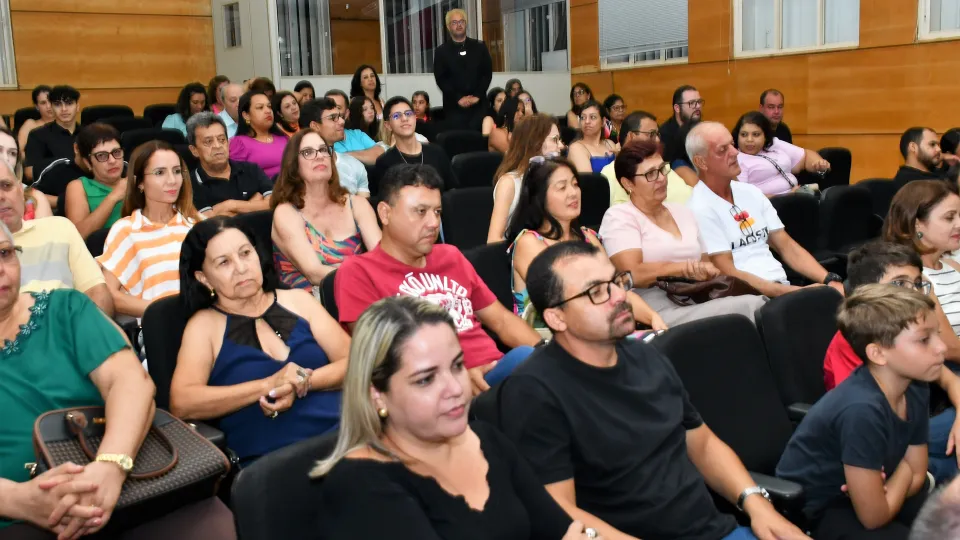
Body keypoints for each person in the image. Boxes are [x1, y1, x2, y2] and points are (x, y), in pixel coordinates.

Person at [500, 240, 810, 540]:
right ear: (557, 318)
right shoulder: (534, 392)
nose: (618, 296)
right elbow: (559, 511)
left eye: (616, 282)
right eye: (596, 292)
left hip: (716, 529)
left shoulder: (646, 355)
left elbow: (702, 444)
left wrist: (757, 504)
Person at [0, 223, 237, 539]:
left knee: (209, 525)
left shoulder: (65, 309)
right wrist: (19, 500)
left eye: (4, 253)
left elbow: (131, 383)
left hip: (127, 474)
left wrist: (111, 466)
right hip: (19, 517)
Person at [311, 295, 597, 539]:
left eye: (458, 366)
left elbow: (562, 529)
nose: (456, 388)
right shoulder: (360, 484)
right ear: (376, 394)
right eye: (426, 379)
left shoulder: (487, 440)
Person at [335, 164, 540, 394]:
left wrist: (547, 352)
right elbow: (378, 355)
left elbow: (502, 321)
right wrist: (454, 373)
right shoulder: (358, 272)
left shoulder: (450, 256)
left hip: (494, 374)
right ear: (385, 213)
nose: (434, 223)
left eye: (437, 212)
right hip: (433, 390)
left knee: (543, 363)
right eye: (421, 211)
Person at [170, 216, 348, 464]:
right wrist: (268, 385)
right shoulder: (204, 326)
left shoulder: (298, 300)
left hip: (343, 438)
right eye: (224, 262)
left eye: (245, 253)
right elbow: (182, 402)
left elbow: (355, 361)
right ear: (204, 278)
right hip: (272, 464)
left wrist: (300, 382)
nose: (241, 268)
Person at [777, 285, 938, 540]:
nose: (941, 347)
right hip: (824, 507)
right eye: (924, 340)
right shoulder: (861, 410)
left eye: (937, 334)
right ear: (878, 353)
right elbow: (874, 516)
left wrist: (901, 477)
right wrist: (905, 470)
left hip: (883, 486)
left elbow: (918, 474)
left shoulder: (915, 384)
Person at [823, 241, 960, 485]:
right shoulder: (852, 341)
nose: (914, 292)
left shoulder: (907, 329)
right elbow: (864, 424)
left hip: (913, 427)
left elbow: (950, 380)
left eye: (918, 283)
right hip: (881, 441)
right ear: (867, 291)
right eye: (900, 284)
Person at [600, 139, 767, 326]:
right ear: (628, 183)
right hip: (653, 307)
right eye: (650, 174)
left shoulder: (683, 212)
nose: (661, 178)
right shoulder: (619, 217)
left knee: (756, 305)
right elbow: (633, 274)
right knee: (751, 307)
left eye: (662, 169)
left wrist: (704, 272)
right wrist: (683, 269)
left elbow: (706, 264)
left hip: (696, 295)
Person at [686, 122, 845, 298]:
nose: (735, 152)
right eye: (723, 150)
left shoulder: (750, 192)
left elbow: (786, 245)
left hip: (781, 290)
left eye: (732, 144)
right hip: (747, 299)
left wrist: (829, 279)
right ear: (701, 162)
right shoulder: (698, 208)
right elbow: (728, 274)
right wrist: (795, 292)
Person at [505, 157, 666, 331]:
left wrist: (653, 318)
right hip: (549, 338)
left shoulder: (588, 237)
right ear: (540, 197)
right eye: (562, 187)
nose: (573, 193)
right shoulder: (528, 243)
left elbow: (617, 290)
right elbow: (564, 300)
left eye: (575, 184)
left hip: (599, 330)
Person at [98, 141, 200, 319]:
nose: (172, 180)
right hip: (162, 326)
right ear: (140, 183)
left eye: (177, 171)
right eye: (160, 172)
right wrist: (167, 313)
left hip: (208, 322)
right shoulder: (126, 230)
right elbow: (109, 295)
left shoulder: (195, 225)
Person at [272, 129, 381, 293]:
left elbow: (382, 258)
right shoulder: (286, 213)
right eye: (308, 152)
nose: (319, 156)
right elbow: (315, 273)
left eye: (323, 150)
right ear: (294, 165)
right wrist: (366, 277)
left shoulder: (356, 204)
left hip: (359, 292)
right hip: (309, 302)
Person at [0, 161, 113, 315]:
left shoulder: (60, 228)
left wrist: (86, 328)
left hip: (74, 325)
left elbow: (97, 292)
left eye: (6, 186)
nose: (1, 196)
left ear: (21, 191)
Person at [883, 181, 960, 370]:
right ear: (917, 224)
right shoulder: (911, 278)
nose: (959, 224)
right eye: (949, 217)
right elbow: (947, 346)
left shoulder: (953, 266)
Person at [487, 114, 564, 242]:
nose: (561, 146)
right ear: (536, 143)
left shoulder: (555, 178)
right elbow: (493, 240)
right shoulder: (509, 183)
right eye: (555, 140)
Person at [187, 112, 273, 217]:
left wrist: (231, 205)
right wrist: (255, 203)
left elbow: (273, 203)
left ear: (228, 142)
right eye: (208, 142)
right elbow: (209, 220)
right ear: (194, 150)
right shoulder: (190, 184)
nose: (217, 146)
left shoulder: (251, 169)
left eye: (222, 140)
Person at [600, 111, 692, 206]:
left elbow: (688, 194)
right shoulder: (609, 174)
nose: (657, 140)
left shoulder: (662, 166)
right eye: (651, 134)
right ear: (631, 136)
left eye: (657, 134)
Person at [732, 111, 830, 197]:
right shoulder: (736, 159)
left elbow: (806, 156)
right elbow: (744, 197)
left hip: (796, 197)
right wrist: (786, 197)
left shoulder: (773, 144)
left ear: (765, 136)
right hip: (772, 205)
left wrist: (819, 164)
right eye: (744, 135)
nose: (749, 140)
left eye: (756, 134)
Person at [373, 97, 456, 194]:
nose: (404, 119)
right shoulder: (384, 162)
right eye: (396, 116)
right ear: (388, 125)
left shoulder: (437, 153)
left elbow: (452, 192)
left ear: (415, 118)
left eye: (408, 114)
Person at [433, 8, 493, 132]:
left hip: (479, 105)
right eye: (454, 22)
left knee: (481, 139)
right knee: (457, 140)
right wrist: (458, 98)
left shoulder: (480, 47)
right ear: (448, 26)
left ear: (466, 23)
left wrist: (477, 96)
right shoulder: (441, 51)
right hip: (454, 106)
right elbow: (441, 78)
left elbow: (487, 74)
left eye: (461, 21)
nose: (459, 25)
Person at [64, 124, 125, 239]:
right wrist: (114, 197)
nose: (112, 161)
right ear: (87, 162)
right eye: (101, 155)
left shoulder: (136, 182)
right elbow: (79, 236)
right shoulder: (79, 187)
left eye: (116, 152)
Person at [299, 98, 370, 197]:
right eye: (333, 118)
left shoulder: (355, 166)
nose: (342, 121)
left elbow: (363, 205)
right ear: (315, 126)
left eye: (340, 116)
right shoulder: (298, 169)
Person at [24, 85, 80, 182]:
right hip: (53, 188)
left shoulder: (89, 134)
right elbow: (29, 173)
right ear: (52, 108)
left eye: (69, 103)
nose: (64, 109)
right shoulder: (38, 135)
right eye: (58, 104)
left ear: (77, 106)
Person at [229, 91, 289, 178]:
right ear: (246, 115)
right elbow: (236, 178)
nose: (268, 111)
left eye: (269, 106)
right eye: (260, 107)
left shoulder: (283, 138)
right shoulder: (239, 143)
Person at [324, 90, 384, 165]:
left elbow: (380, 154)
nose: (332, 111)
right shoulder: (321, 139)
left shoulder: (357, 134)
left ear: (346, 113)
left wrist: (344, 155)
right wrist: (367, 155)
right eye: (328, 108)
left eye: (338, 107)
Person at [567, 101, 617, 174]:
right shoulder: (576, 148)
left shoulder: (610, 144)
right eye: (583, 118)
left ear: (603, 121)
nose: (587, 121)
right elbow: (589, 180)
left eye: (593, 117)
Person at [659, 85, 703, 165]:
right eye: (692, 103)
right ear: (677, 108)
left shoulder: (703, 129)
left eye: (699, 102)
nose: (698, 106)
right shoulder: (664, 136)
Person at [16, 85, 54, 160]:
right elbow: (17, 151)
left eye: (51, 101)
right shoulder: (31, 124)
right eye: (43, 103)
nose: (48, 106)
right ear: (37, 106)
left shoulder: (66, 123)